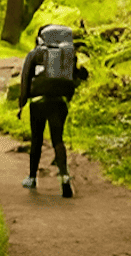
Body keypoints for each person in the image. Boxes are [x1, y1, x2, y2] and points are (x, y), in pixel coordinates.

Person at [17, 23, 84, 198]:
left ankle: (32, 178)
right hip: (59, 102)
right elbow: (74, 78)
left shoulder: (35, 54)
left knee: (37, 140)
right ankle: (64, 177)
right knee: (57, 139)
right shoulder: (68, 54)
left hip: (38, 103)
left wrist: (22, 103)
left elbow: (25, 79)